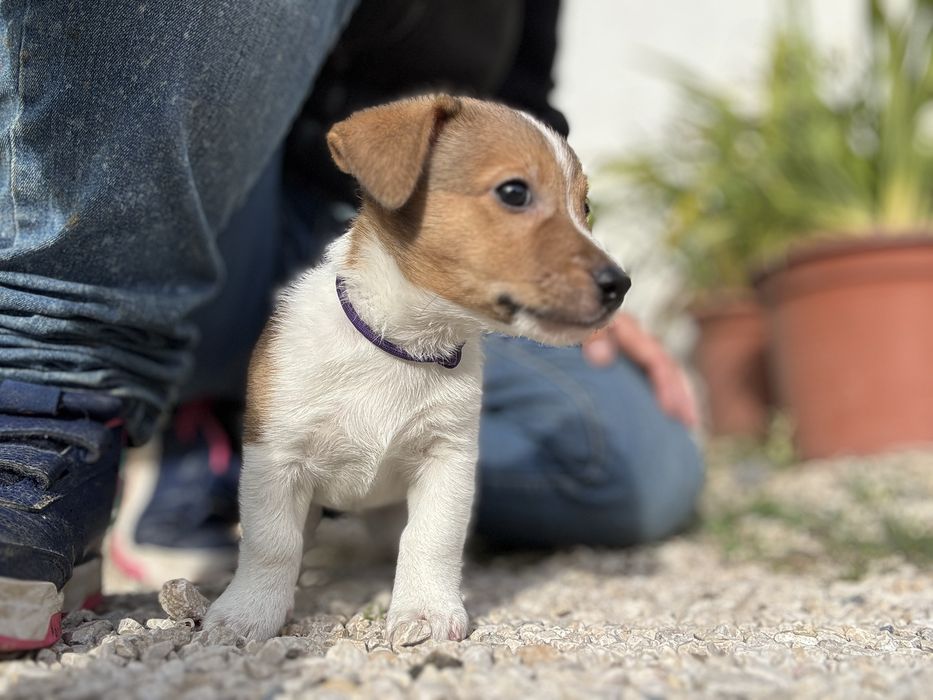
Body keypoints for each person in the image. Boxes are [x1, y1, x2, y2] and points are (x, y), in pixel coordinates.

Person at [0, 0, 702, 649]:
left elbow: (515, 110)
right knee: (286, 446)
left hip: (416, 275)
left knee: (635, 468)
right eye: (516, 197)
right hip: (196, 204)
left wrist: (560, 261)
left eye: (584, 211)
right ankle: (60, 375)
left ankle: (223, 443)